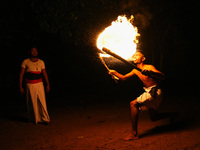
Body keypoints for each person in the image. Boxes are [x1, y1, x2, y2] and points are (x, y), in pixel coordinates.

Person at [109, 51, 176, 140]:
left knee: (133, 104)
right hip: (149, 92)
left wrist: (150, 73)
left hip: (155, 92)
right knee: (153, 118)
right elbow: (123, 78)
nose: (135, 56)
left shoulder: (149, 67)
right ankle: (172, 114)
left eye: (137, 55)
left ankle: (134, 134)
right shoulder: (135, 70)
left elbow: (163, 76)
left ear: (143, 59)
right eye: (134, 55)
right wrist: (114, 72)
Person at [19, 47, 50, 125]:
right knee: (31, 101)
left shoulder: (41, 62)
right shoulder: (25, 62)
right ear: (29, 52)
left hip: (39, 84)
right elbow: (21, 74)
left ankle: (45, 118)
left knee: (42, 101)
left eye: (36, 51)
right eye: (33, 51)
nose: (34, 52)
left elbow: (44, 73)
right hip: (30, 84)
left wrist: (48, 84)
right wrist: (20, 86)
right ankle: (32, 119)